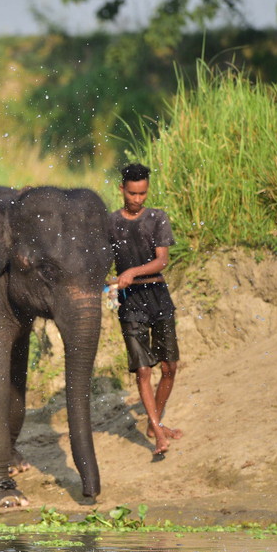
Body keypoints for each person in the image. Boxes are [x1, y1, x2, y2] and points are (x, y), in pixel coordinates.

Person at [108, 163, 182, 455]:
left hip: (158, 297)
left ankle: (154, 423)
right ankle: (158, 436)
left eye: (143, 193)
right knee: (142, 370)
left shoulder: (157, 218)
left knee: (169, 367)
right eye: (132, 193)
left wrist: (132, 272)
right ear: (122, 189)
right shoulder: (110, 223)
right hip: (130, 304)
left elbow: (161, 260)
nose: (138, 199)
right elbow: (103, 261)